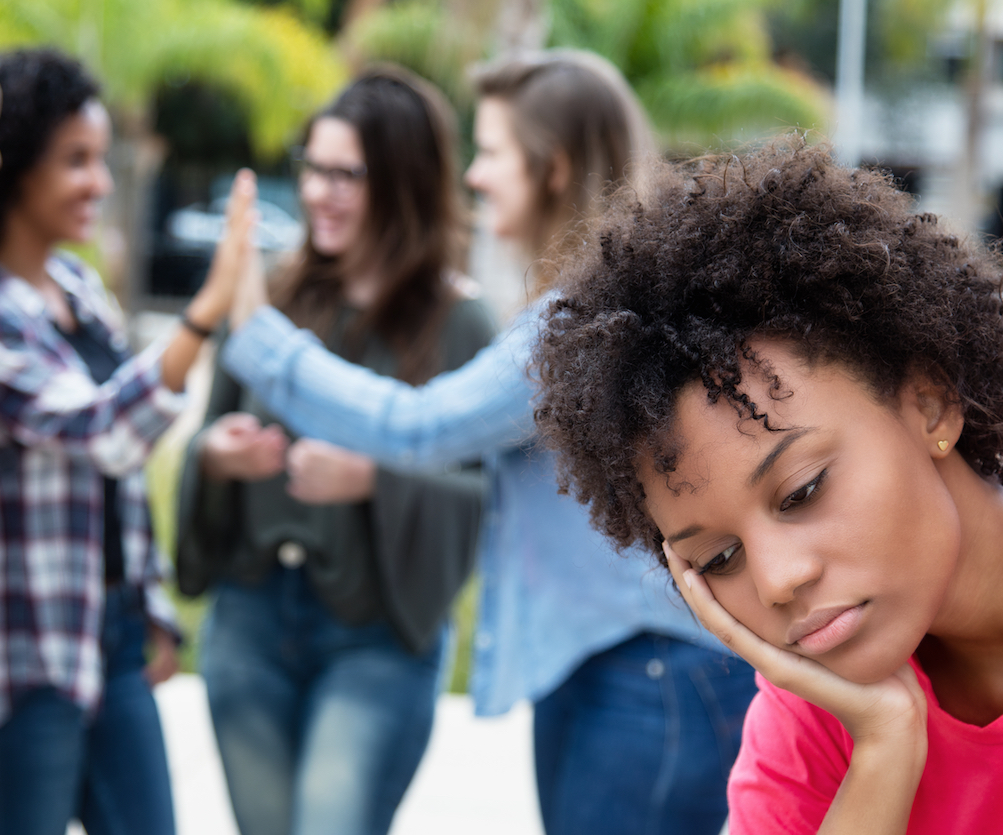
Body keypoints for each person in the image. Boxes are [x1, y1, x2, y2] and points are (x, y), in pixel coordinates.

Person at [531, 135, 1003, 834]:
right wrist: (883, 754)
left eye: (802, 491)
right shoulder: (820, 714)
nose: (778, 581)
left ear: (929, 401)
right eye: (719, 557)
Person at [221, 50, 754, 835]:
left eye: (493, 152)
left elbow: (422, 427)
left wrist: (255, 332)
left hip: (649, 679)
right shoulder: (599, 304)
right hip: (628, 670)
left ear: (553, 166)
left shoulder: (583, 319)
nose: (473, 175)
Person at [0, 49, 256, 835]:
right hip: (25, 653)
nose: (99, 182)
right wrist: (207, 308)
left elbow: (123, 477)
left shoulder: (77, 290)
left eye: (101, 159)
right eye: (76, 161)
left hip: (111, 635)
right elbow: (104, 430)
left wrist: (148, 605)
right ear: (10, 171)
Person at [178, 66, 496, 835]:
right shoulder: (277, 296)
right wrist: (217, 457)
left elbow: (492, 498)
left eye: (347, 173)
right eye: (313, 168)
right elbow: (204, 434)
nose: (320, 191)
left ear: (404, 181)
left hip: (374, 638)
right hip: (251, 619)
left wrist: (371, 479)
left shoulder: (461, 323)